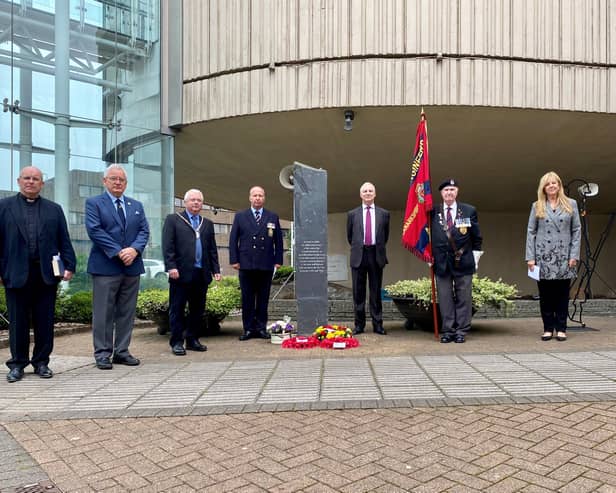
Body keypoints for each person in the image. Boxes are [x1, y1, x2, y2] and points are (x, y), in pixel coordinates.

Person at [0, 166, 76, 383]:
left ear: (42, 184)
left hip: (46, 274)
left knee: (45, 321)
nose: (31, 182)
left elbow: (64, 240)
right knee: (18, 322)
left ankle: (42, 362)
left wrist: (69, 265)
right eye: (27, 178)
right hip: (15, 273)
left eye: (35, 179)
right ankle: (17, 364)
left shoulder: (54, 209)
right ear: (19, 181)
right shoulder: (4, 207)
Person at [85, 164, 150, 369]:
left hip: (132, 266)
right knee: (103, 312)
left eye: (121, 179)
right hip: (106, 265)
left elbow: (144, 231)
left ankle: (122, 351)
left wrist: (134, 250)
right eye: (113, 179)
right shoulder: (94, 203)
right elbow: (94, 230)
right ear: (105, 181)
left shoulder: (136, 205)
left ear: (126, 183)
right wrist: (119, 251)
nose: (118, 182)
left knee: (126, 311)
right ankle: (103, 353)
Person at [162, 189, 221, 355]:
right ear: (186, 202)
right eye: (193, 200)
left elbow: (212, 249)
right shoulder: (173, 220)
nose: (196, 203)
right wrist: (171, 266)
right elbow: (168, 246)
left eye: (199, 200)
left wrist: (215, 269)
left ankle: (192, 339)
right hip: (180, 273)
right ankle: (177, 341)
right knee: (178, 308)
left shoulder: (207, 223)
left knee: (198, 309)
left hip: (201, 273)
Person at [526, 171, 581, 342]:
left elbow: (576, 230)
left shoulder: (571, 204)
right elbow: (531, 232)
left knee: (562, 294)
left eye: (554, 183)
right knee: (546, 294)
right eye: (548, 184)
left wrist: (574, 255)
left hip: (564, 256)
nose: (551, 186)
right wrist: (530, 257)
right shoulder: (537, 205)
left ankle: (561, 328)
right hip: (543, 256)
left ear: (559, 185)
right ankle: (548, 328)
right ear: (543, 187)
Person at [431, 179, 483, 343]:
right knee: (445, 297)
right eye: (446, 190)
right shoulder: (433, 211)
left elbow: (476, 236)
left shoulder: (468, 210)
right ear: (441, 193)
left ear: (457, 192)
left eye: (452, 189)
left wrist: (475, 257)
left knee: (464, 297)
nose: (449, 193)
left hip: (463, 260)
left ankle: (461, 331)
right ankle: (448, 330)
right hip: (441, 261)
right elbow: (425, 233)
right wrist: (427, 255)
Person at [229, 186, 283, 340]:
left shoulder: (272, 216)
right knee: (247, 298)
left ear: (264, 198)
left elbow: (278, 241)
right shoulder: (240, 216)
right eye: (255, 195)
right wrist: (234, 259)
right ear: (250, 198)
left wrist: (278, 260)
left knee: (263, 298)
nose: (258, 198)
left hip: (266, 264)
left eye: (260, 195)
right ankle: (248, 329)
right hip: (246, 264)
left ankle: (261, 328)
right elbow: (233, 239)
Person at [347, 182, 390, 335]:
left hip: (376, 255)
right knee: (358, 293)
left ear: (375, 194)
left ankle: (378, 324)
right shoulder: (352, 214)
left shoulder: (384, 214)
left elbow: (385, 236)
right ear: (360, 194)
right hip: (359, 255)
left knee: (375, 292)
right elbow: (350, 237)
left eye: (370, 191)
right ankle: (359, 325)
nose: (367, 193)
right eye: (364, 191)